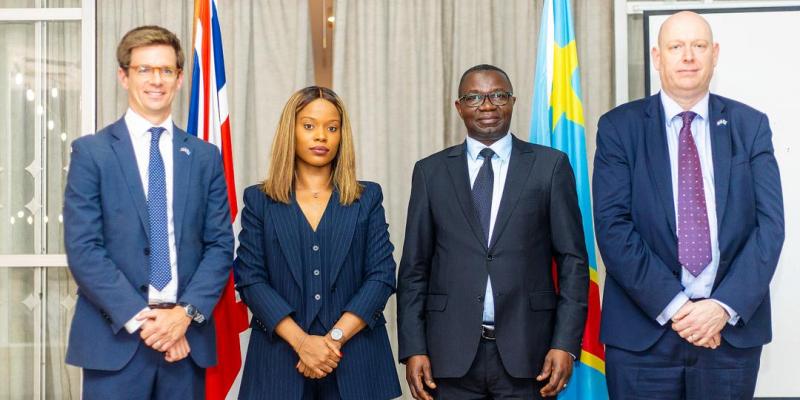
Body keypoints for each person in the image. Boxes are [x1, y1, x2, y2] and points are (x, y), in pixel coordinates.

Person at [593, 11, 784, 399]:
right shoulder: (619, 128)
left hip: (728, 336)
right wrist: (680, 309)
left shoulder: (751, 126)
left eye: (698, 46)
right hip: (642, 339)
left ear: (714, 54)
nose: (688, 56)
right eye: (676, 46)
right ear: (657, 56)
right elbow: (613, 227)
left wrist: (720, 309)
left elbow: (769, 227)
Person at [397, 64, 589, 400]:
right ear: (459, 107)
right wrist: (414, 347)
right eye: (474, 97)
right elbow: (414, 267)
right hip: (449, 354)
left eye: (498, 95)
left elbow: (573, 261)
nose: (487, 106)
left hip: (531, 353)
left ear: (513, 101)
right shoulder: (430, 172)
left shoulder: (550, 167)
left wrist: (565, 344)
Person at [63, 25, 234, 399]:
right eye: (144, 70)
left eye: (166, 70)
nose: (156, 80)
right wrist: (151, 324)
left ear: (179, 78)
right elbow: (84, 249)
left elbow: (220, 245)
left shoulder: (205, 157)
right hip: (115, 342)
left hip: (186, 340)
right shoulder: (92, 153)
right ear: (123, 76)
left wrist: (182, 316)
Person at [234, 86, 402, 400]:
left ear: (342, 135)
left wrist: (333, 340)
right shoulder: (259, 200)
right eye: (309, 126)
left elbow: (381, 276)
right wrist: (302, 342)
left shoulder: (367, 198)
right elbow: (251, 279)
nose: (321, 136)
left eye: (332, 127)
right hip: (278, 367)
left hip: (357, 365)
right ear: (291, 131)